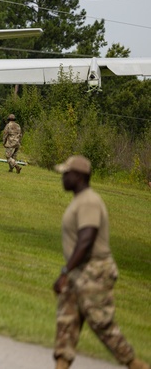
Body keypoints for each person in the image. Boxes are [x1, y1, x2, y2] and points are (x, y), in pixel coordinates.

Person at [52, 155, 149, 369]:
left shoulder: (89, 201)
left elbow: (87, 239)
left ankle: (136, 365)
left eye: (66, 174)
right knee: (66, 325)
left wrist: (65, 271)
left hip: (93, 271)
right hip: (79, 271)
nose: (63, 178)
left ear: (78, 176)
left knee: (102, 325)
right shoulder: (80, 200)